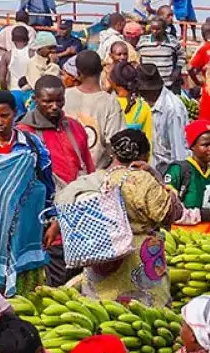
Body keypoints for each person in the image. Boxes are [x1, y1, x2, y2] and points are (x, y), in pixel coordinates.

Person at [75, 129, 182, 307]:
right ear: (144, 156)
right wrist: (159, 180)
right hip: (140, 257)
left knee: (104, 311)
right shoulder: (144, 180)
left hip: (102, 256)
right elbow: (169, 214)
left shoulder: (94, 180)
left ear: (113, 153)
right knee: (148, 313)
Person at [0, 89, 56, 292]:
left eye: (5, 115)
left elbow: (47, 186)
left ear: (15, 113)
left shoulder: (32, 146)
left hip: (25, 232)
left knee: (25, 293)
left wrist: (53, 220)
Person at [20, 74, 95, 186]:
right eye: (48, 101)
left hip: (78, 191)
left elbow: (88, 165)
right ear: (35, 99)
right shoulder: (24, 134)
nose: (55, 106)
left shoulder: (75, 126)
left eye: (59, 100)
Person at [63, 50, 124, 169]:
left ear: (78, 73)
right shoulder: (110, 102)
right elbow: (116, 141)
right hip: (97, 172)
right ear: (101, 70)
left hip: (66, 170)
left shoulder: (64, 96)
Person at [142, 64, 191, 171]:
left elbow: (178, 151)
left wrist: (177, 174)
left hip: (168, 169)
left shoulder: (172, 109)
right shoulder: (144, 104)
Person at [138, 19, 183, 91]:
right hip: (148, 83)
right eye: (153, 29)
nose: (155, 31)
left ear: (164, 29)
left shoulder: (172, 41)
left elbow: (181, 55)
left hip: (167, 83)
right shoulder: (143, 40)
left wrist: (178, 69)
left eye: (158, 29)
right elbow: (136, 54)